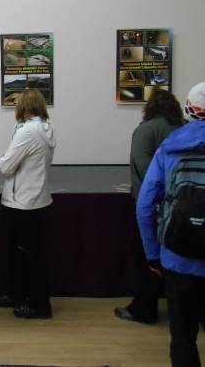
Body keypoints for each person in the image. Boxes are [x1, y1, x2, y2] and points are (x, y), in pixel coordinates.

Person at [137, 82, 205, 367]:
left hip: (177, 258)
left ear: (190, 107)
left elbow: (144, 206)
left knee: (183, 338)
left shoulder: (170, 147)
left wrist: (153, 254)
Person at [115, 89, 184, 324]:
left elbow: (146, 173)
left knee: (146, 257)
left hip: (151, 205)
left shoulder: (145, 130)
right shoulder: (183, 128)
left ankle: (144, 309)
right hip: (183, 205)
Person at [0, 88, 56, 319]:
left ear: (23, 106)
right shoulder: (46, 128)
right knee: (28, 255)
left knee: (28, 257)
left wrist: (4, 158)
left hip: (21, 202)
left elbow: (5, 167)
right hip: (37, 199)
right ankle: (19, 295)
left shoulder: (27, 132)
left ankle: (39, 305)